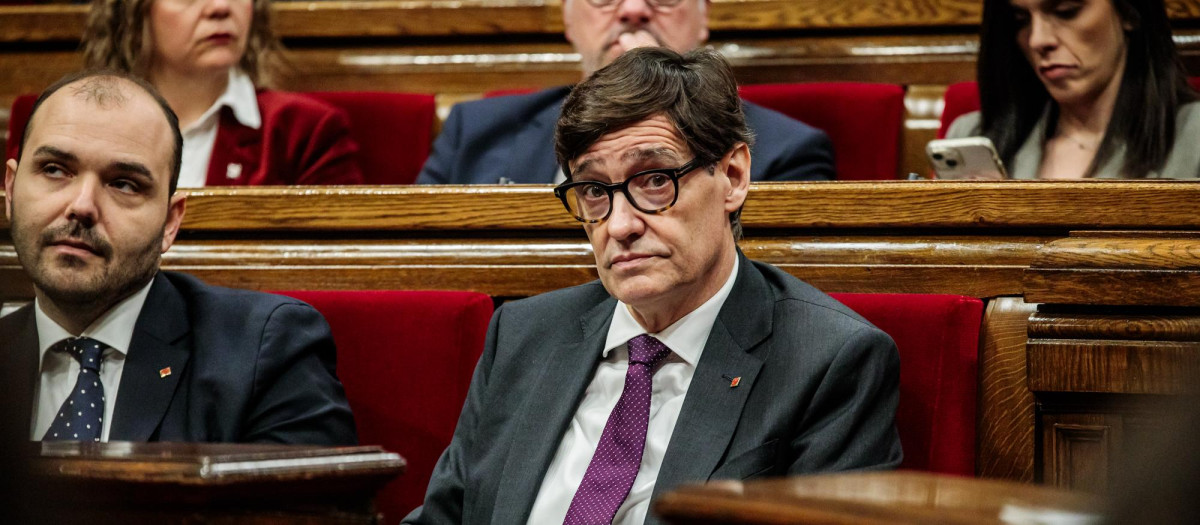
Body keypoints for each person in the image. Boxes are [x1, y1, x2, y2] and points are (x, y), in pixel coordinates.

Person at [405, 48, 901, 525]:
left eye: (655, 180)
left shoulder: (829, 360)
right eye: (595, 191)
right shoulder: (522, 334)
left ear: (732, 176)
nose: (619, 225)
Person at [1, 69, 357, 445]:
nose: (82, 206)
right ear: (10, 190)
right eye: (55, 170)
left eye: (124, 183)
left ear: (170, 222)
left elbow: (310, 505)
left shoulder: (264, 355)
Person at [417, 0, 835, 185]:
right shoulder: (472, 131)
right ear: (567, 15)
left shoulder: (786, 152)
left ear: (703, 14)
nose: (633, 8)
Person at [79, 0, 363, 187]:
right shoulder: (83, 124)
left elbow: (340, 270)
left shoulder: (305, 131)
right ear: (134, 12)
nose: (220, 7)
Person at [945, 0, 1200, 179]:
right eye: (1021, 20)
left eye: (1066, 11)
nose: (1038, 40)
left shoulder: (1193, 135)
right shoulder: (972, 137)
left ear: (1128, 12)